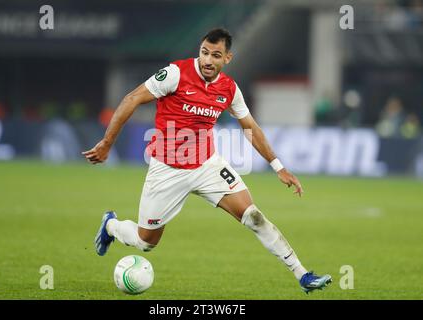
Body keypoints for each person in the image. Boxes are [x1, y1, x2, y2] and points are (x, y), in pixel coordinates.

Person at [83, 28, 332, 294]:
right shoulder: (175, 74)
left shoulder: (229, 89)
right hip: (167, 169)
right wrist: (107, 143)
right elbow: (131, 99)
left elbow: (251, 128)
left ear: (227, 58)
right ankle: (111, 225)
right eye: (204, 53)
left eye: (215, 55)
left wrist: (278, 167)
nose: (207, 61)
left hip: (206, 165)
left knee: (253, 216)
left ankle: (302, 275)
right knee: (146, 242)